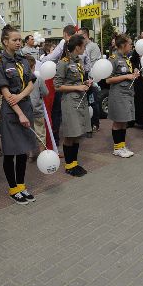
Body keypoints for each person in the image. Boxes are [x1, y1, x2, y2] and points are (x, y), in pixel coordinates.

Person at [0, 25, 37, 204]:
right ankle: (13, 189)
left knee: (24, 150)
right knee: (10, 152)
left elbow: (31, 83)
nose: (18, 43)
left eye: (19, 40)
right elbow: (5, 91)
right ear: (5, 42)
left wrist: (21, 96)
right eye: (15, 40)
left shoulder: (23, 59)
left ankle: (22, 185)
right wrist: (19, 113)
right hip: (11, 112)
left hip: (24, 106)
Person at [55, 34, 92, 176]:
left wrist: (85, 83)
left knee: (77, 133)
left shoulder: (78, 61)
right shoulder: (63, 62)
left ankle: (75, 163)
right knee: (70, 134)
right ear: (77, 47)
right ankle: (69, 166)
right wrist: (77, 88)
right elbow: (57, 86)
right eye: (83, 46)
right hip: (70, 102)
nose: (84, 48)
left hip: (80, 100)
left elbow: (77, 81)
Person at [106, 34, 140, 158]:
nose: (131, 46)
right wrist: (126, 76)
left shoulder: (127, 58)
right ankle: (117, 148)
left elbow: (128, 73)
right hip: (118, 94)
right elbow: (108, 80)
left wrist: (134, 73)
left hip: (128, 93)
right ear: (122, 45)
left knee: (124, 121)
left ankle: (122, 145)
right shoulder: (113, 59)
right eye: (130, 44)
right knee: (118, 121)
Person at [78, 26, 102, 133]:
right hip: (82, 77)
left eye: (79, 35)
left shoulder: (93, 46)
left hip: (90, 77)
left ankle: (95, 123)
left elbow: (94, 63)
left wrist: (91, 77)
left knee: (92, 102)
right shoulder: (79, 46)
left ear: (85, 35)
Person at [26, 55, 49, 161]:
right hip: (37, 110)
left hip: (25, 110)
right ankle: (42, 154)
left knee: (29, 132)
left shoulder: (22, 78)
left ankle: (31, 154)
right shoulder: (38, 78)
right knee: (40, 133)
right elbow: (45, 92)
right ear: (34, 66)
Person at [130, 30, 143, 126]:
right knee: (139, 98)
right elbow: (133, 61)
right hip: (139, 78)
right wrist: (134, 68)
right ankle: (140, 120)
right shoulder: (137, 48)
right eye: (142, 37)